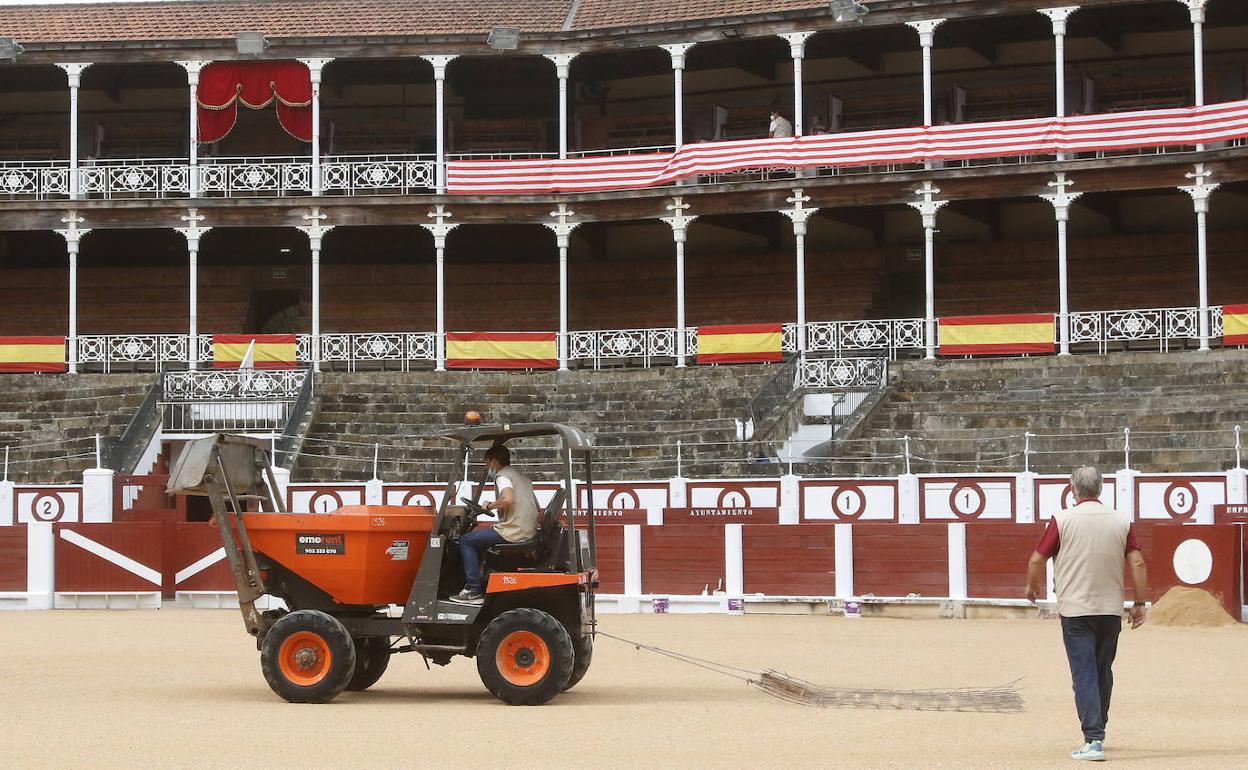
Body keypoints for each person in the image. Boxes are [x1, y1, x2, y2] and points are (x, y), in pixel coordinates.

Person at [1025, 466, 1148, 762]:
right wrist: (1140, 603)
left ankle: (1094, 739)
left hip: (1075, 610)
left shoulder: (1062, 519)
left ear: (1072, 489)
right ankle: (1098, 728)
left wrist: (1031, 589)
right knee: (1102, 670)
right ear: (1101, 489)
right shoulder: (1121, 520)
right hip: (1109, 609)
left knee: (1084, 673)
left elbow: (1036, 559)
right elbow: (1138, 563)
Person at [449, 445, 540, 605]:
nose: (486, 467)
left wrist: (489, 505)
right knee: (479, 541)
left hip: (514, 531)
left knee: (466, 541)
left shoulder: (502, 476)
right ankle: (478, 582)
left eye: (486, 462)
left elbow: (508, 499)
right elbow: (537, 508)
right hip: (526, 529)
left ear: (494, 461)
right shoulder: (521, 477)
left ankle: (472, 590)